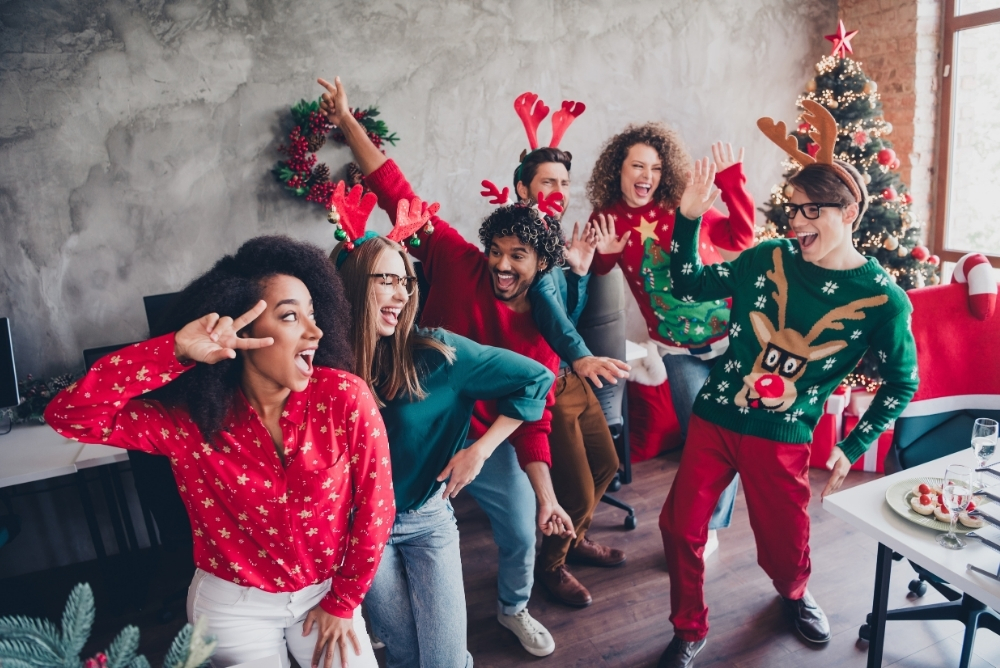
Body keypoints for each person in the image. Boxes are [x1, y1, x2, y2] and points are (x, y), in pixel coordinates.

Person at [44, 236, 393, 668]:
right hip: (234, 606)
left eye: (313, 313)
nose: (314, 331)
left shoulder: (344, 397)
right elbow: (70, 416)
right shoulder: (189, 422)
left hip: (327, 593)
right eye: (290, 316)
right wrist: (171, 351)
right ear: (243, 333)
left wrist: (343, 602)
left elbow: (376, 510)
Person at [319, 76, 575, 658]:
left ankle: (514, 609)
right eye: (499, 252)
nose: (505, 266)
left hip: (482, 442)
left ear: (541, 268)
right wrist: (346, 122)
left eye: (521, 259)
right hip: (408, 452)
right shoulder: (453, 260)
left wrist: (539, 490)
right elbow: (393, 187)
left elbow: (533, 404)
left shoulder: (525, 333)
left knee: (518, 533)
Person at [656, 102, 918, 667]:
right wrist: (689, 219)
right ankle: (688, 628)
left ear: (848, 212)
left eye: (811, 211)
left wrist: (852, 445)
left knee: (784, 542)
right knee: (679, 527)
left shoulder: (882, 300)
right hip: (717, 417)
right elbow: (686, 281)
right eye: (792, 210)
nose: (796, 223)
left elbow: (902, 382)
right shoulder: (767, 257)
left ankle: (794, 595)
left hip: (783, 434)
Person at [586, 124, 756, 556]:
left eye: (656, 168)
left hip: (731, 338)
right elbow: (603, 271)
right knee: (703, 439)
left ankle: (707, 526)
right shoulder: (607, 216)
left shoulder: (685, 205)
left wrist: (732, 179)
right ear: (618, 170)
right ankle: (704, 520)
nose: (647, 175)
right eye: (637, 165)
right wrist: (604, 252)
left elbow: (740, 238)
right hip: (678, 351)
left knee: (730, 434)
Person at [511, 147, 632, 608]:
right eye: (548, 182)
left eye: (564, 183)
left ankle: (575, 538)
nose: (558, 192)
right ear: (524, 188)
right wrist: (582, 357)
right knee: (578, 493)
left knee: (607, 465)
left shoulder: (553, 232)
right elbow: (545, 307)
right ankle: (551, 565)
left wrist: (579, 275)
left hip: (569, 372)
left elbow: (567, 312)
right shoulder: (522, 238)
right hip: (545, 382)